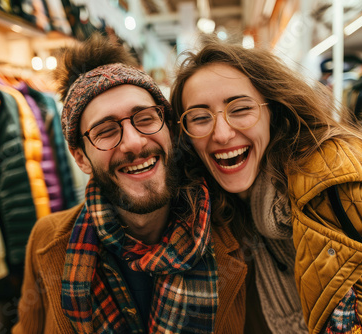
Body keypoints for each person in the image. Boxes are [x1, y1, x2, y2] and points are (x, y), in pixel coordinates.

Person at [170, 35, 362, 334]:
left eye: (240, 109)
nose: (222, 134)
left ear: (272, 111)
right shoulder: (216, 220)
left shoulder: (345, 181)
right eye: (200, 117)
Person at [12, 33, 249, 334]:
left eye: (146, 118)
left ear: (171, 131)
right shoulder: (47, 241)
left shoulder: (235, 233)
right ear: (80, 158)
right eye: (106, 130)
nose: (134, 143)